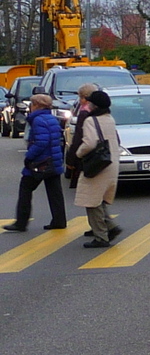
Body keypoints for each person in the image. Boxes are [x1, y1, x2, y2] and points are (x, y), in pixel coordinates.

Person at [3, 94, 67, 232]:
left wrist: (29, 157)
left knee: (25, 189)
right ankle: (59, 220)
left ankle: (21, 222)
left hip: (40, 162)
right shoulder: (52, 119)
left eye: (32, 104)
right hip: (53, 161)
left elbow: (41, 143)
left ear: (37, 106)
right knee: (55, 192)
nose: (30, 108)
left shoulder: (38, 120)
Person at [69, 89, 122, 248]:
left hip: (97, 165)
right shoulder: (109, 119)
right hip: (110, 162)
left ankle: (101, 236)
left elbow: (90, 143)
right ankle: (109, 227)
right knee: (98, 198)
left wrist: (78, 154)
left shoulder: (91, 121)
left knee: (92, 201)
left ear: (94, 105)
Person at [64, 83, 99, 190]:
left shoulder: (84, 112)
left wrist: (71, 158)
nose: (79, 101)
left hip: (86, 154)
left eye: (80, 97)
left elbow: (79, 136)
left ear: (85, 98)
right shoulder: (100, 110)